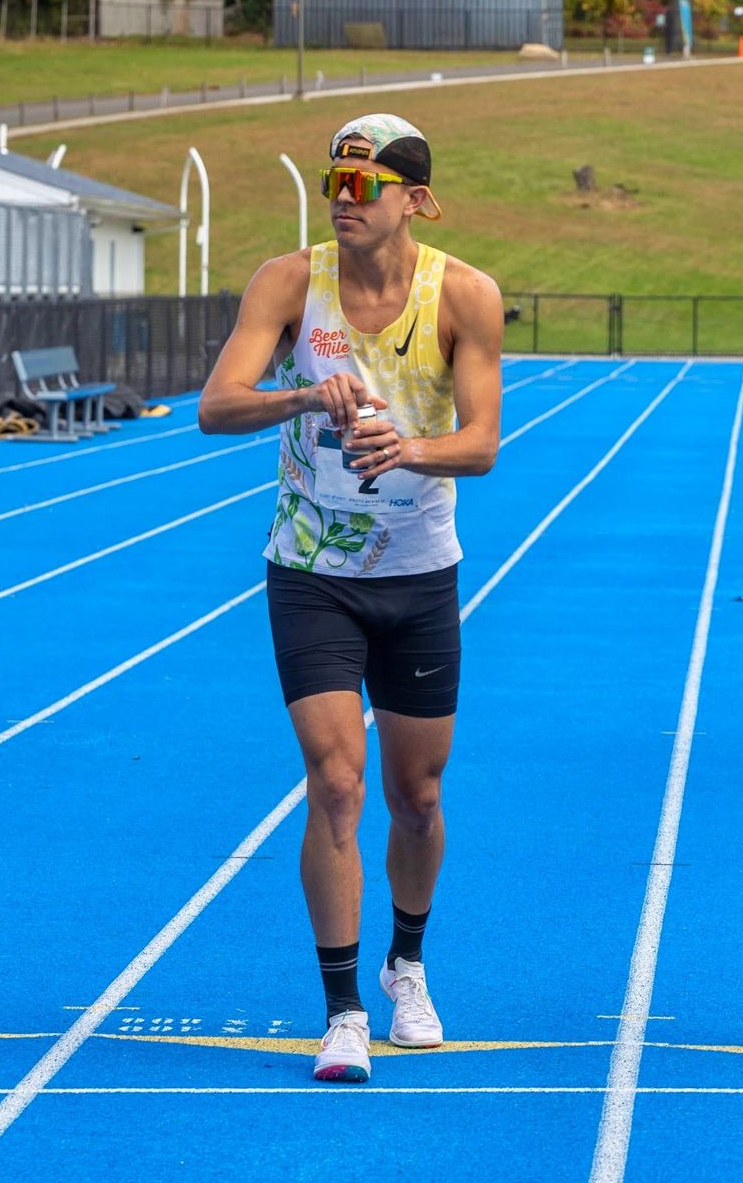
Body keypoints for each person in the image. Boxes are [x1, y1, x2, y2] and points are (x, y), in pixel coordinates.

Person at [198, 114, 503, 1084]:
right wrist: (299, 395)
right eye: (334, 181)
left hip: (417, 576)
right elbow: (215, 406)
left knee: (416, 797)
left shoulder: (463, 294)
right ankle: (341, 1011)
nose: (341, 198)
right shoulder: (289, 283)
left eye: (361, 185)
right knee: (334, 785)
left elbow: (483, 444)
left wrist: (407, 448)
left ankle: (406, 963)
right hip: (310, 573)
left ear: (413, 199)